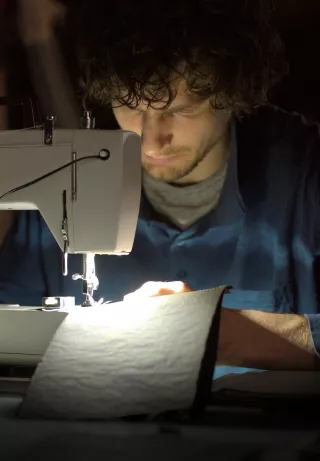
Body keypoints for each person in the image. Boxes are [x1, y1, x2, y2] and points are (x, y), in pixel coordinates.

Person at [0, 0, 320, 379]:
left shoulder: (306, 175)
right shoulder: (69, 184)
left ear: (231, 95)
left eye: (182, 110)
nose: (151, 141)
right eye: (129, 106)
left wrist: (223, 333)